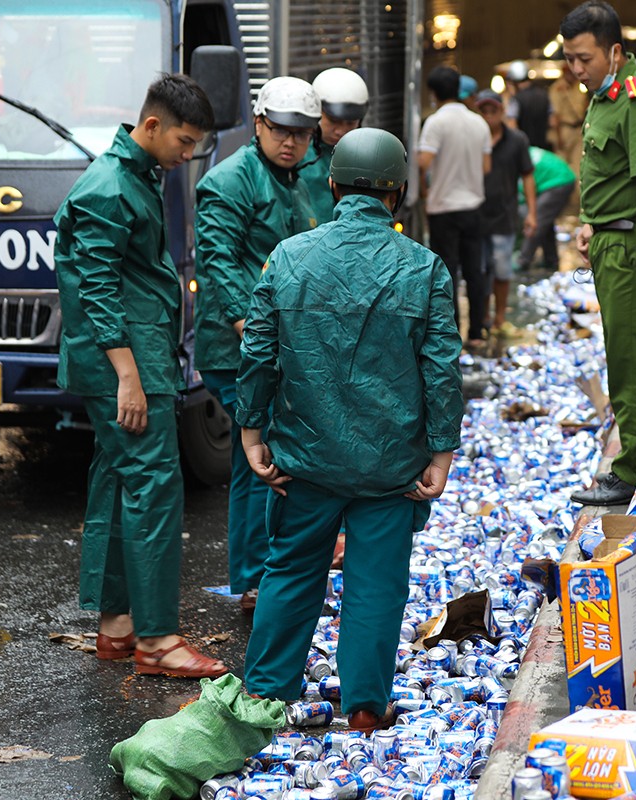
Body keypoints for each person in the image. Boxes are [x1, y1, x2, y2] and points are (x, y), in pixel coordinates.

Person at [237, 127, 463, 733]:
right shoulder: (425, 268)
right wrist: (440, 453)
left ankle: (264, 698)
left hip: (305, 460)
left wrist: (252, 433)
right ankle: (364, 706)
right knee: (376, 585)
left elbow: (259, 353)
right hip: (392, 467)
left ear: (332, 184)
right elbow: (441, 368)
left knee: (289, 570)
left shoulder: (288, 257)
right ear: (400, 194)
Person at [53, 74, 226, 679]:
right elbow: (96, 290)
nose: (188, 155)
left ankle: (119, 626)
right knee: (153, 488)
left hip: (138, 355)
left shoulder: (136, 174)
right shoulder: (109, 187)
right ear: (150, 126)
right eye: (183, 141)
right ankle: (157, 640)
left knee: (121, 484)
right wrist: (128, 375)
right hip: (128, 363)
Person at [193, 76, 320, 612]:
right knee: (256, 457)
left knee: (271, 456)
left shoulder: (297, 177)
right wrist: (251, 325)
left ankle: (268, 567)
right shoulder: (229, 181)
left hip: (280, 345)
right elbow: (217, 261)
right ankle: (250, 579)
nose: (290, 141)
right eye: (280, 131)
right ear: (259, 125)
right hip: (238, 348)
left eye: (301, 133)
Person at [561, 1, 636, 506]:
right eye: (569, 58)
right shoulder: (604, 93)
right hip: (617, 239)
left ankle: (633, 473)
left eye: (583, 58)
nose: (576, 69)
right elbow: (616, 176)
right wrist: (594, 224)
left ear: (613, 51)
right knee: (624, 356)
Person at [418, 65, 492, 348]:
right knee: (475, 271)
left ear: (434, 93)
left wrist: (426, 191)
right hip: (474, 206)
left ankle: (451, 335)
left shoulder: (436, 123)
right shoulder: (478, 123)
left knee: (447, 274)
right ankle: (476, 333)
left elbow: (423, 162)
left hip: (443, 208)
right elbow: (486, 166)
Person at [474, 89, 536, 333]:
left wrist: (532, 212)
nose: (489, 116)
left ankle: (499, 318)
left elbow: (528, 176)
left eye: (493, 110)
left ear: (502, 111)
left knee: (501, 269)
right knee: (479, 271)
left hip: (504, 215)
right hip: (476, 216)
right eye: (484, 111)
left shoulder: (517, 140)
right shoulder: (473, 139)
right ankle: (483, 318)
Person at [301, 68, 370, 224]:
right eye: (333, 121)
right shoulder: (297, 153)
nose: (341, 131)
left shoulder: (367, 157)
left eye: (350, 123)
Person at [518, 145, 576, 272]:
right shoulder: (523, 151)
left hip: (558, 181)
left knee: (537, 220)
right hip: (562, 176)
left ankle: (523, 260)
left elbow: (524, 194)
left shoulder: (515, 159)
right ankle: (551, 260)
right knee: (545, 221)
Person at [505, 60, 556, 153]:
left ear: (514, 82)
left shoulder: (516, 99)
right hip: (543, 149)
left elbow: (512, 126)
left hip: (525, 150)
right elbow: (553, 122)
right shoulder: (543, 95)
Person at [549, 65, 589, 178]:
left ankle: (576, 195)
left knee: (578, 165)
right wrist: (558, 137)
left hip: (578, 129)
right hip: (564, 129)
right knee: (562, 165)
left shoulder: (579, 86)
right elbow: (555, 116)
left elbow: (584, 105)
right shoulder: (557, 88)